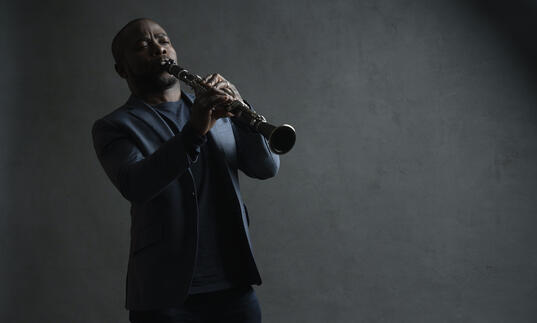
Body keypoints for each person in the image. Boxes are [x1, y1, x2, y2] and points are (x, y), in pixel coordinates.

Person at [91, 18, 280, 323]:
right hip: (163, 296)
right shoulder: (113, 127)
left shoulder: (218, 107)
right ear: (121, 69)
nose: (157, 47)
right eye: (141, 45)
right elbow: (136, 184)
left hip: (234, 287)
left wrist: (241, 107)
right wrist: (193, 130)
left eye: (163, 40)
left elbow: (266, 166)